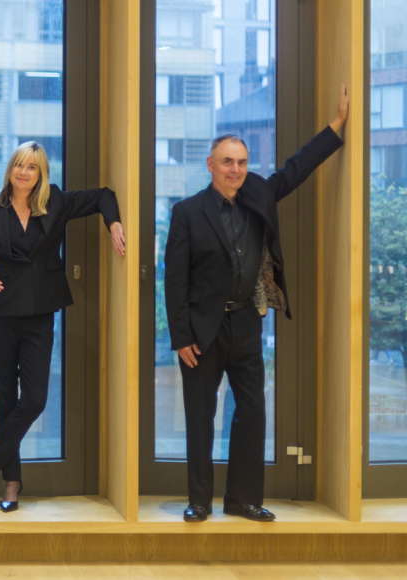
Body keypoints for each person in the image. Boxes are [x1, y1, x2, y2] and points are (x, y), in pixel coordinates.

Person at [164, 85, 350, 523]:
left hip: (246, 322)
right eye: (227, 162)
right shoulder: (187, 212)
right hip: (202, 331)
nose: (236, 169)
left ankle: (242, 500)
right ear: (210, 165)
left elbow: (296, 169)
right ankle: (199, 501)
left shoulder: (259, 196)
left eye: (242, 162)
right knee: (200, 417)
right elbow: (174, 280)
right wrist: (181, 336)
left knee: (251, 413)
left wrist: (336, 127)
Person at [0, 141, 125, 512]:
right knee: (4, 400)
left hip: (39, 315)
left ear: (42, 174)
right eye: (19, 165)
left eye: (33, 167)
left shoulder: (54, 202)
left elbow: (104, 195)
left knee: (35, 399)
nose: (24, 172)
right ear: (10, 169)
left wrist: (114, 223)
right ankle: (11, 483)